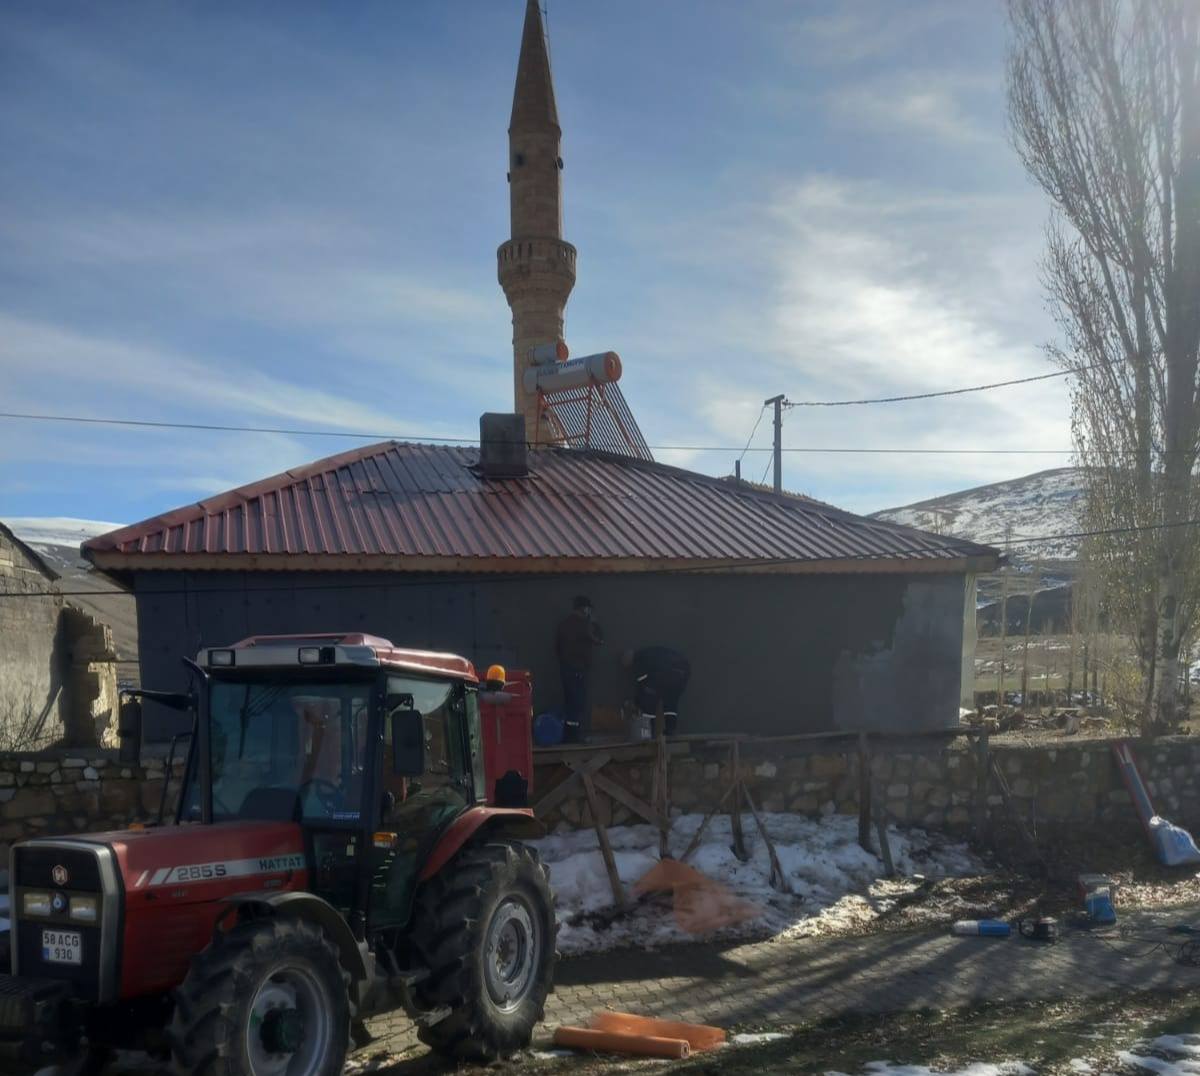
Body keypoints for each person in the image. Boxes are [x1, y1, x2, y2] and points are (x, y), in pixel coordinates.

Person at [555, 595, 603, 742]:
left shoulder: (564, 624)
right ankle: (575, 737)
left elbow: (557, 647)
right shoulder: (584, 625)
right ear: (585, 609)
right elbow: (599, 640)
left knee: (570, 701)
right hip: (578, 669)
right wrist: (595, 623)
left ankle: (568, 735)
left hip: (566, 668)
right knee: (577, 702)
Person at [623, 646, 691, 737]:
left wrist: (637, 702)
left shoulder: (639, 659)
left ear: (629, 660)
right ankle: (670, 732)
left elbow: (642, 684)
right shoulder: (650, 652)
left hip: (667, 671)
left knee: (649, 702)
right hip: (683, 671)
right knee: (671, 702)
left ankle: (648, 734)